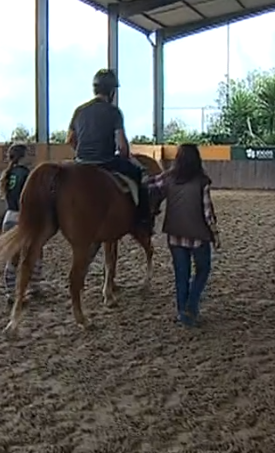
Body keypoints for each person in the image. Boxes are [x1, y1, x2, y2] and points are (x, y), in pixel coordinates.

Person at [65, 68, 153, 231]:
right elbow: (122, 146)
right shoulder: (114, 112)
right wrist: (124, 155)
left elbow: (69, 139)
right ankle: (142, 220)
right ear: (112, 91)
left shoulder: (79, 110)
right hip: (105, 161)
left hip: (81, 163)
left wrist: (82, 151)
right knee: (139, 175)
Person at [145, 144, 221, 327]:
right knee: (203, 270)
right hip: (198, 236)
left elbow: (150, 186)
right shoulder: (202, 181)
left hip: (175, 234)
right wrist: (215, 233)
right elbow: (207, 212)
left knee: (181, 275)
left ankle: (183, 313)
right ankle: (191, 305)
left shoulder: (169, 177)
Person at [0, 143, 43, 302]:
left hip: (9, 216)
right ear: (23, 156)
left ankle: (10, 292)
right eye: (28, 154)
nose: (31, 157)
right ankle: (34, 286)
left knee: (13, 257)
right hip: (23, 217)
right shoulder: (27, 174)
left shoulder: (9, 174)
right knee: (36, 250)